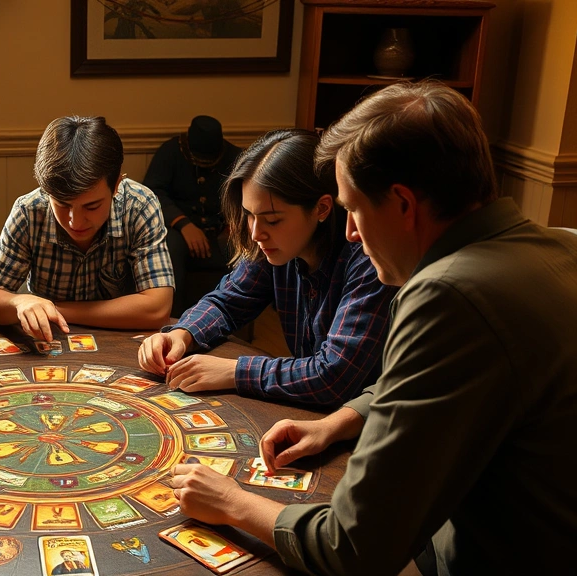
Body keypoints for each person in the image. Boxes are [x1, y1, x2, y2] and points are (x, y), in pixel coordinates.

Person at [169, 82, 577, 575]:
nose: (348, 232)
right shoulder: (568, 245)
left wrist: (233, 502)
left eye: (355, 211)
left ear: (404, 205)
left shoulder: (445, 295)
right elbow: (460, 384)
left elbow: (353, 547)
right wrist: (340, 421)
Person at [139, 129, 396, 407]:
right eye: (249, 215)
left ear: (322, 208)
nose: (255, 234)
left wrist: (233, 371)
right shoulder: (276, 246)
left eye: (272, 220)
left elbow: (333, 377)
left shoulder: (368, 259)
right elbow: (227, 302)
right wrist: (182, 334)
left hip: (373, 424)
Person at [0, 116, 175, 341]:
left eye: (91, 206)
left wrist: (55, 309)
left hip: (120, 342)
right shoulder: (29, 210)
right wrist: (19, 301)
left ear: (116, 186)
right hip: (48, 343)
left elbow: (158, 308)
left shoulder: (139, 205)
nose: (75, 222)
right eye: (62, 205)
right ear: (46, 191)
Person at [143, 115, 242, 316]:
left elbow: (243, 195)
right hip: (178, 229)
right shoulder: (170, 152)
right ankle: (172, 317)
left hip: (220, 228)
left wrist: (235, 222)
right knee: (171, 246)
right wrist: (183, 223)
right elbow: (153, 193)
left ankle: (229, 317)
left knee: (242, 249)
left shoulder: (235, 156)